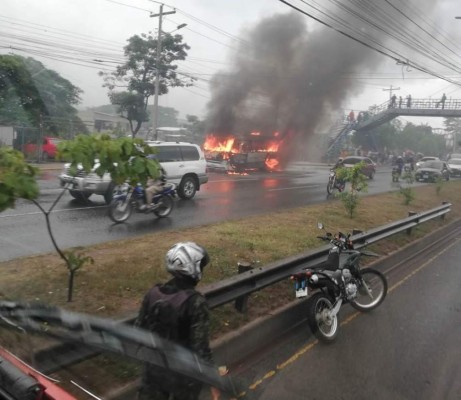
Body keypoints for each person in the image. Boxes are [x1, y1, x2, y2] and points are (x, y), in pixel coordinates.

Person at [135, 242, 220, 400]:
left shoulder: (153, 293)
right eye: (201, 266)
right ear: (192, 267)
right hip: (183, 376)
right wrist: (213, 379)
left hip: (153, 371)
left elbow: (138, 329)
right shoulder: (195, 302)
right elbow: (200, 348)